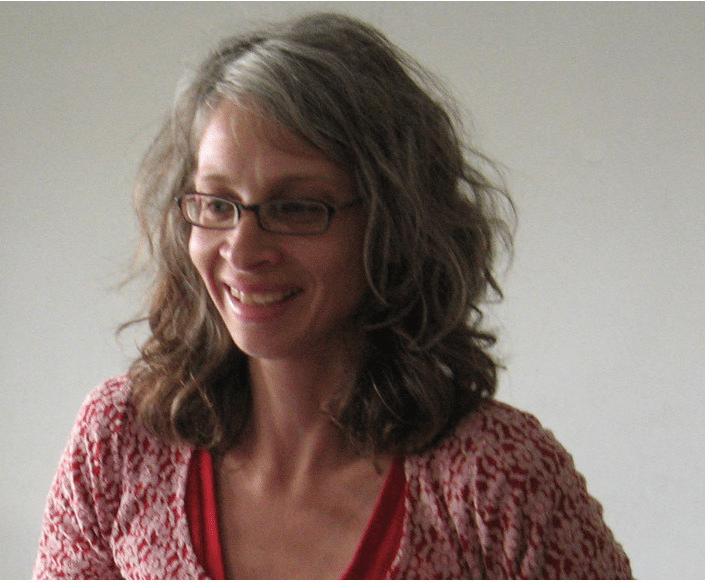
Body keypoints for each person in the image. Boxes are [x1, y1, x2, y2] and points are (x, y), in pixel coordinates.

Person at [34, 12, 631, 579]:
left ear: (394, 227)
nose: (242, 250)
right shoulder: (119, 444)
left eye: (297, 208)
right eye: (217, 204)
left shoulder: (497, 479)